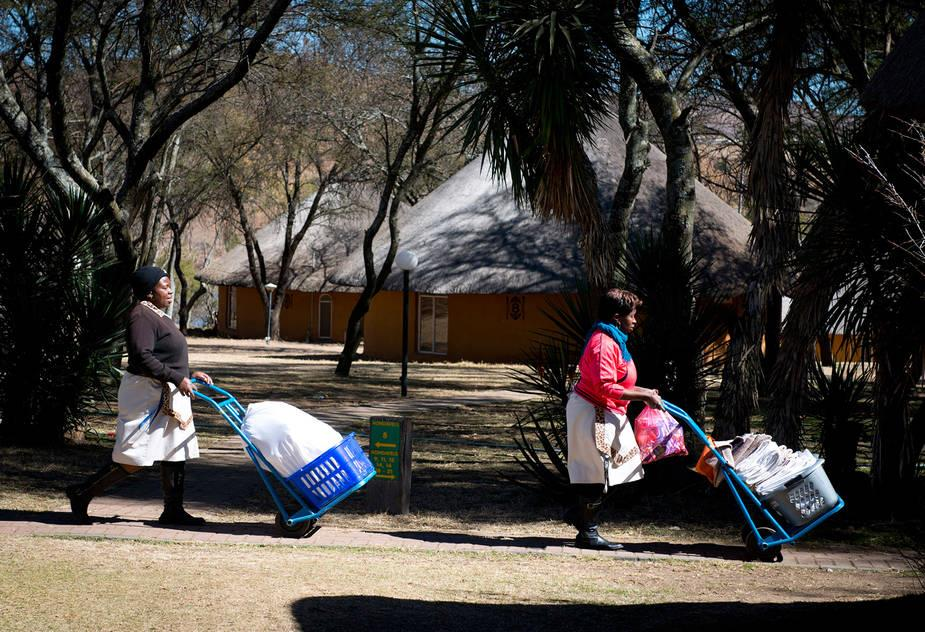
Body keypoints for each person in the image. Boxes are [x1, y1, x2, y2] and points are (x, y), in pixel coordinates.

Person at [66, 266, 213, 525]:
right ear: (148, 292)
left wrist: (189, 373)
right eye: (164, 286)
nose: (169, 290)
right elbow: (142, 356)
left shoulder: (156, 314)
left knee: (175, 452)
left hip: (168, 393)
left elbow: (164, 353)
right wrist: (178, 378)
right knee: (134, 455)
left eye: (169, 286)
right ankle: (81, 493)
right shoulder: (141, 316)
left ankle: (173, 510)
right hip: (147, 395)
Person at [564, 288, 663, 550]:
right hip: (593, 411)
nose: (636, 320)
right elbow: (604, 386)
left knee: (623, 466)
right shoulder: (602, 343)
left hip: (608, 410)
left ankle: (581, 516)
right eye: (633, 315)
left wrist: (644, 392)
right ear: (618, 317)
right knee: (597, 471)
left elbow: (617, 381)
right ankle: (587, 532)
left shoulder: (614, 339)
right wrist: (642, 397)